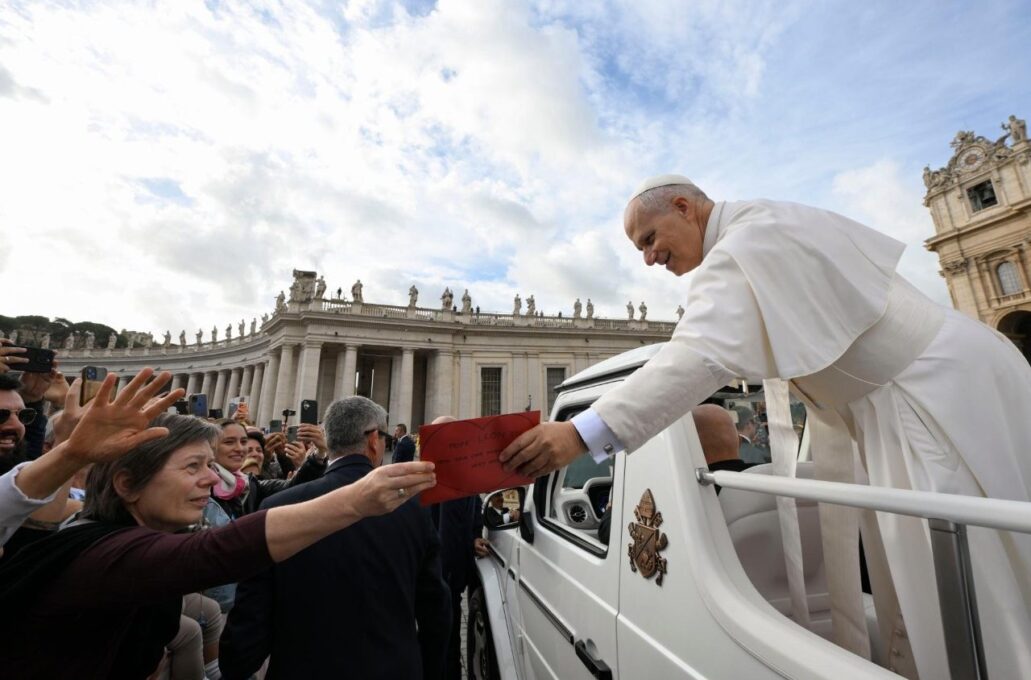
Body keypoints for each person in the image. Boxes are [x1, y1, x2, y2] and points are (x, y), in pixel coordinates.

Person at [500, 174, 1031, 679]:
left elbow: (699, 354)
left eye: (650, 238)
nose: (649, 258)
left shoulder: (744, 244)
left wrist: (578, 433)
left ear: (685, 208)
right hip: (923, 392)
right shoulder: (759, 227)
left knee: (973, 590)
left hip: (927, 404)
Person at [0, 386, 436, 679]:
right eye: (194, 467)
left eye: (210, 465)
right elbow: (217, 551)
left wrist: (67, 452)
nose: (212, 481)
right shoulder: (110, 555)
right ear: (127, 484)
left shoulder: (94, 534)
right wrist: (356, 500)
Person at [220, 396, 451, 680]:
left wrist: (237, 665)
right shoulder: (413, 509)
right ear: (374, 440)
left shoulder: (276, 507)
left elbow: (251, 617)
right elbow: (435, 609)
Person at [599, 405, 750, 544]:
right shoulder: (762, 479)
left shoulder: (681, 493)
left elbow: (610, 534)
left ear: (690, 445)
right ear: (738, 440)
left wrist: (613, 506)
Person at [426, 416, 490, 680]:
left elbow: (473, 510)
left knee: (450, 637)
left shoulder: (465, 473)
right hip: (430, 572)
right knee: (434, 638)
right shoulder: (425, 473)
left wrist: (475, 536)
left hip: (452, 573)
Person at [209, 419, 324, 520]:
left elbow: (294, 486)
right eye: (229, 442)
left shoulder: (251, 484)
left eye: (243, 442)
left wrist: (319, 453)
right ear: (210, 446)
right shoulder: (201, 485)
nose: (239, 448)